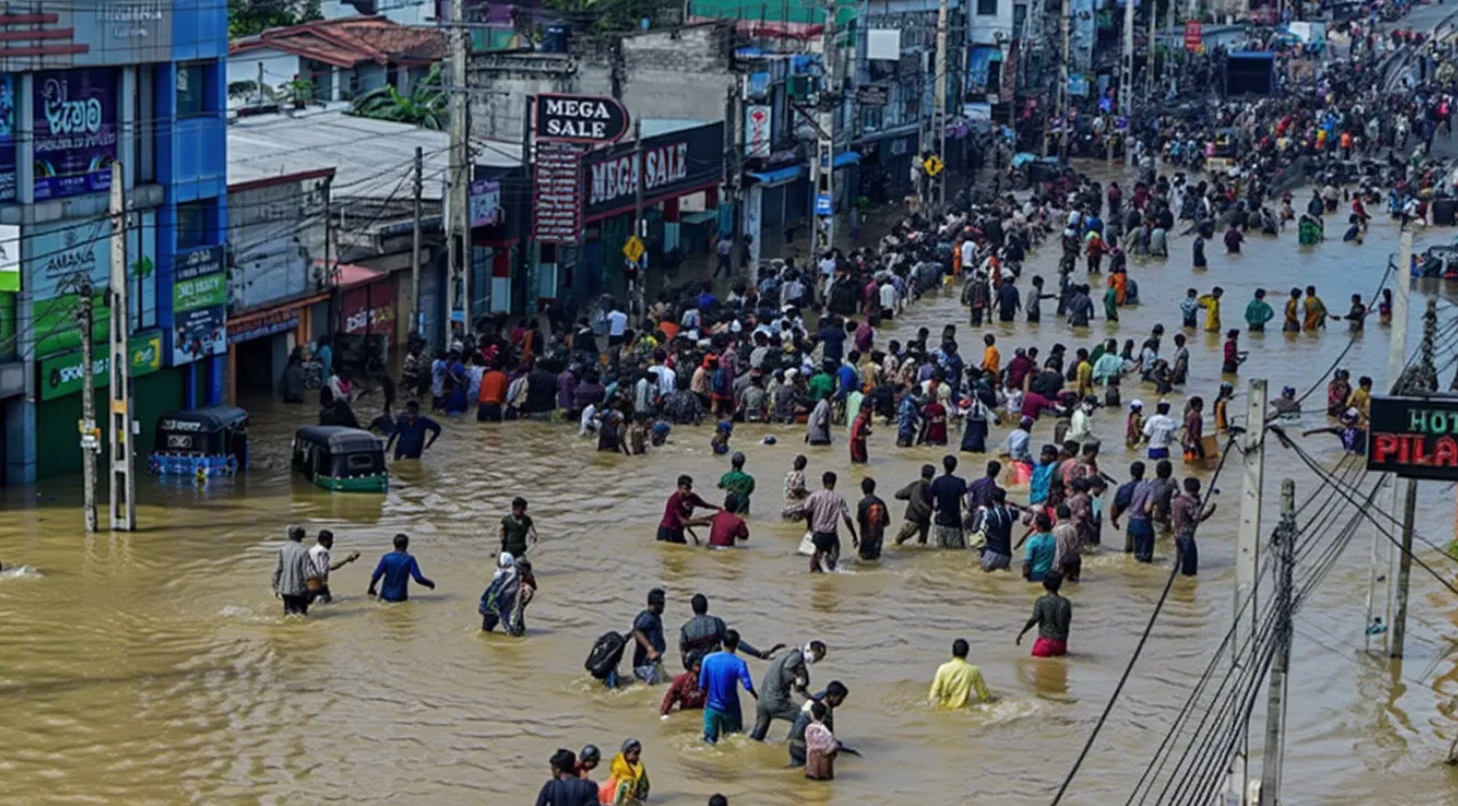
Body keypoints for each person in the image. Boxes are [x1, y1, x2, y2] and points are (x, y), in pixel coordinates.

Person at [751, 640, 827, 741]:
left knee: (757, 736)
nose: (816, 660)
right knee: (803, 717)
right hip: (776, 701)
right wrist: (797, 678)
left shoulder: (790, 654)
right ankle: (790, 743)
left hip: (762, 700)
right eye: (817, 656)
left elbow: (799, 689)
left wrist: (813, 699)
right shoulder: (796, 657)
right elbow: (787, 670)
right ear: (809, 650)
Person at [678, 594, 777, 669]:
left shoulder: (686, 629)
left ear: (693, 608)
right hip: (716, 666)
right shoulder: (717, 623)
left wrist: (689, 670)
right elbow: (735, 642)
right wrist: (758, 654)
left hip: (697, 668)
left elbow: (683, 653)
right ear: (707, 606)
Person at [699, 629, 758, 743]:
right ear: (736, 645)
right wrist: (758, 699)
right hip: (731, 709)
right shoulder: (739, 663)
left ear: (722, 643)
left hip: (711, 707)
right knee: (733, 739)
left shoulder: (708, 659)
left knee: (709, 741)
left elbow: (702, 686)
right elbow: (748, 686)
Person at [804, 471, 859, 572]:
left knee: (815, 557)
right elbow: (847, 518)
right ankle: (829, 576)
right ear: (835, 483)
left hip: (817, 533)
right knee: (833, 558)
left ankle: (815, 580)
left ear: (823, 482)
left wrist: (809, 525)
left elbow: (806, 510)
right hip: (831, 535)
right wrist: (854, 535)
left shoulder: (815, 496)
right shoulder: (839, 498)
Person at [788, 681, 849, 768]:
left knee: (795, 769)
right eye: (840, 699)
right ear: (832, 697)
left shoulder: (821, 697)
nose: (840, 702)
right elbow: (827, 732)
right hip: (801, 746)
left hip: (795, 741)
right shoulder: (823, 710)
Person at [1016, 571, 1072, 657]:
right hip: (1061, 644)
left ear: (1044, 584)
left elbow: (1034, 619)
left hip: (1045, 643)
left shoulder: (1042, 601)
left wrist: (1022, 633)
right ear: (1060, 585)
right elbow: (1066, 622)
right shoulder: (1066, 602)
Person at [479, 552, 536, 636]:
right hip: (496, 605)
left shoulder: (504, 576)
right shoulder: (509, 577)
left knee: (486, 631)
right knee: (513, 625)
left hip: (493, 606)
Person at [367, 533, 436, 602]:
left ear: (394, 544)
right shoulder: (409, 559)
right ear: (407, 545)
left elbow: (376, 576)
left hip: (384, 597)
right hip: (400, 598)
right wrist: (430, 583)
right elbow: (418, 578)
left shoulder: (386, 558)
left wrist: (371, 588)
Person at [1171, 477, 1216, 576]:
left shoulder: (1176, 500)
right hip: (1186, 536)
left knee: (1180, 564)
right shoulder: (1189, 503)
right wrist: (1211, 510)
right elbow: (1197, 518)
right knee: (1190, 569)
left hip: (1177, 535)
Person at [929, 638, 992, 708]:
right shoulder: (973, 670)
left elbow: (933, 693)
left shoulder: (943, 668)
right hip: (962, 710)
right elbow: (984, 696)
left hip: (943, 709)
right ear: (967, 653)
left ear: (952, 652)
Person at [657, 475, 719, 544]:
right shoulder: (674, 500)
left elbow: (705, 505)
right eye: (685, 488)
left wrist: (719, 509)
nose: (688, 491)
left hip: (679, 529)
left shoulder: (692, 497)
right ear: (679, 487)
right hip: (668, 531)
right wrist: (702, 522)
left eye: (690, 488)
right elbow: (684, 522)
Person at [306, 529, 359, 605]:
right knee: (325, 605)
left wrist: (346, 560)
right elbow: (323, 570)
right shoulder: (323, 551)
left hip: (309, 582)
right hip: (318, 583)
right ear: (326, 541)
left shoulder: (311, 550)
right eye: (331, 541)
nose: (332, 543)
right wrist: (324, 584)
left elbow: (329, 567)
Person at [929, 454, 969, 549]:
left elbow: (934, 503)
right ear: (955, 467)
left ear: (943, 465)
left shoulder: (937, 481)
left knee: (939, 550)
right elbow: (966, 503)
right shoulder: (960, 482)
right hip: (954, 522)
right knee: (956, 551)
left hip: (940, 521)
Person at [272, 525, 313, 616]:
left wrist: (276, 587)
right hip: (299, 590)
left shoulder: (283, 550)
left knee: (288, 614)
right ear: (302, 536)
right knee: (302, 615)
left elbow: (277, 570)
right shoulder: (304, 551)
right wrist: (312, 590)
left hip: (285, 590)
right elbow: (307, 573)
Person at [630, 588, 667, 684]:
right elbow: (636, 631)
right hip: (645, 666)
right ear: (655, 604)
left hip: (652, 663)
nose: (664, 607)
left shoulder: (654, 616)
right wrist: (649, 648)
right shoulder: (647, 617)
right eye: (662, 604)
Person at [893, 464, 936, 546]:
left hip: (912, 518)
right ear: (932, 475)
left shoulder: (915, 485)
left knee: (897, 543)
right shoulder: (931, 488)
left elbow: (898, 495)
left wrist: (911, 497)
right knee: (922, 545)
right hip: (925, 520)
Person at [600, 739, 650, 805]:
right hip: (619, 787)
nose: (634, 755)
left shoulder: (639, 767)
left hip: (633, 792)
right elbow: (612, 778)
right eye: (631, 752)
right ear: (626, 752)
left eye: (637, 753)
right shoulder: (617, 762)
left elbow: (644, 786)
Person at [803, 701, 839, 781]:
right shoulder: (824, 729)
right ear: (824, 715)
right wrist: (831, 753)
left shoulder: (808, 728)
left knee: (812, 777)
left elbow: (807, 742)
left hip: (812, 756)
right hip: (824, 757)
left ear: (811, 715)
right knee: (825, 778)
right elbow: (833, 744)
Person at [856, 477, 890, 560]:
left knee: (863, 560)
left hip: (866, 536)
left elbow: (859, 519)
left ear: (862, 489)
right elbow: (887, 522)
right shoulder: (881, 502)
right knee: (875, 558)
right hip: (878, 537)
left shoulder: (862, 503)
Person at [1021, 512, 1056, 582]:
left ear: (1039, 527)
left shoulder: (1033, 541)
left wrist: (1025, 575)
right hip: (1049, 574)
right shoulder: (1053, 539)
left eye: (1035, 524)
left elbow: (1027, 561)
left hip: (1035, 574)